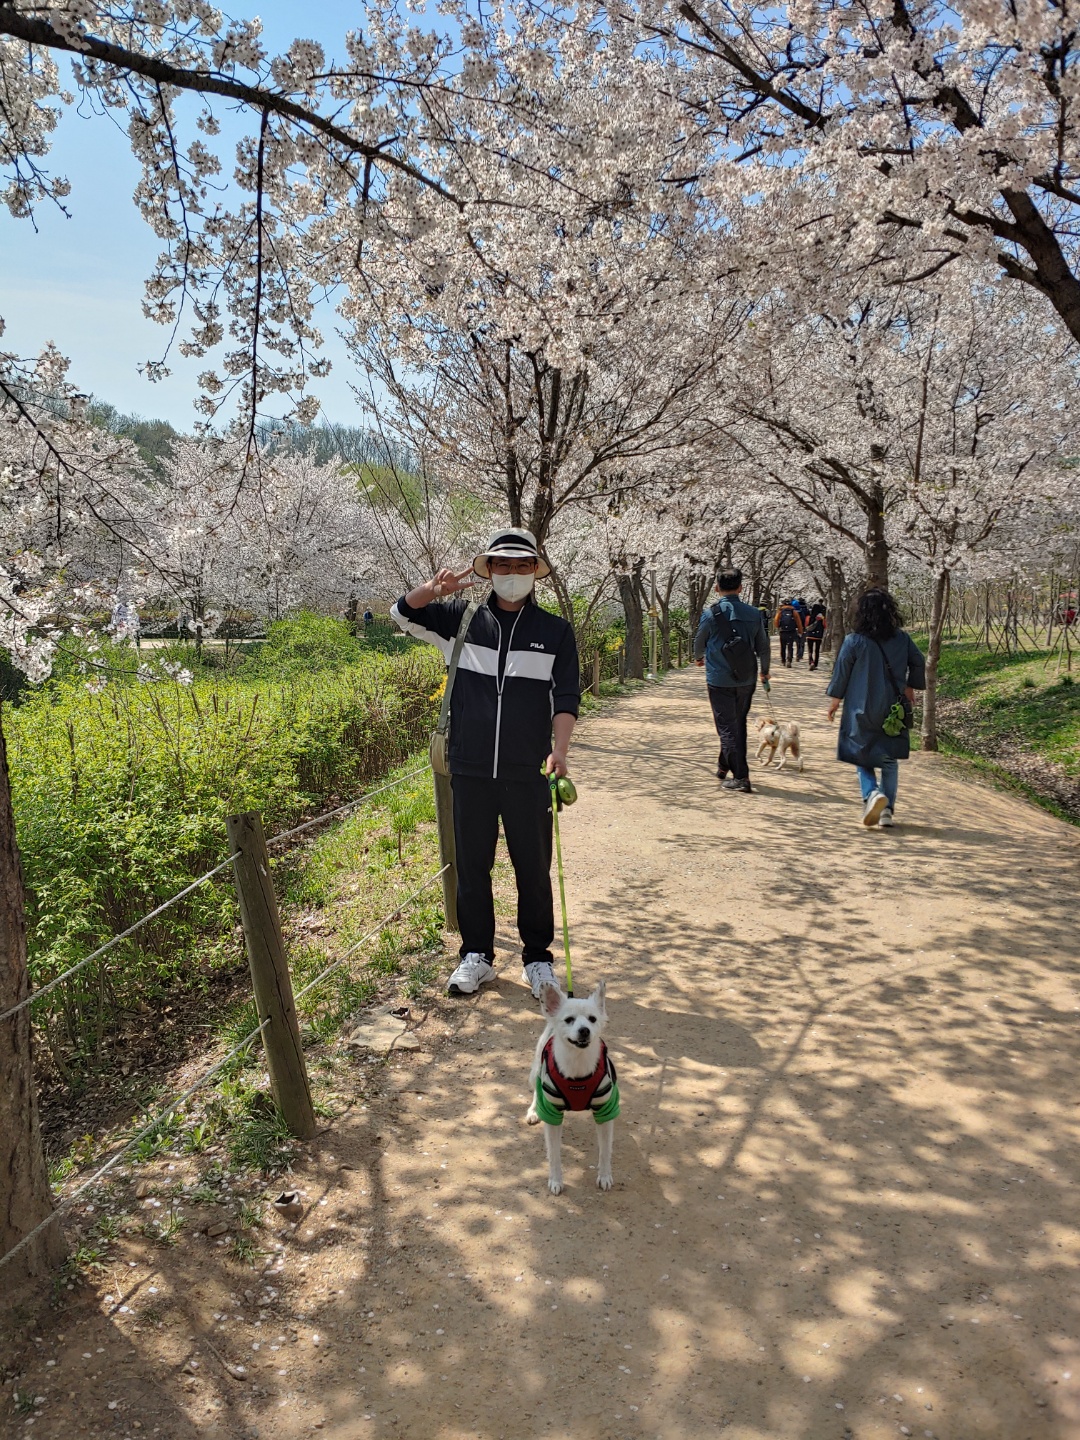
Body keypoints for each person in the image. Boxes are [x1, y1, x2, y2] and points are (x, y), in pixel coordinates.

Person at [391, 528, 580, 998]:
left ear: (534, 572)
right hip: (471, 766)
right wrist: (434, 591)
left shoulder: (553, 631)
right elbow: (402, 614)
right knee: (471, 864)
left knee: (532, 868)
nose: (511, 575)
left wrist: (560, 751)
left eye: (521, 567)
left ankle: (537, 960)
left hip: (527, 769)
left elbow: (566, 696)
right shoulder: (460, 619)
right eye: (502, 565)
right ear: (489, 569)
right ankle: (476, 955)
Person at [825, 587, 926, 828]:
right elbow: (918, 661)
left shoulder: (853, 641)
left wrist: (834, 701)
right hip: (893, 708)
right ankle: (887, 810)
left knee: (862, 754)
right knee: (889, 760)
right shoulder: (902, 638)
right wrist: (911, 686)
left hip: (860, 707)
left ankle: (872, 794)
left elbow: (842, 674)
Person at [694, 568, 771, 793]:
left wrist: (699, 657)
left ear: (717, 587)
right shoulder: (755, 614)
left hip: (719, 679)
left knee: (726, 726)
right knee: (736, 724)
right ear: (740, 587)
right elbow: (763, 647)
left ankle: (741, 777)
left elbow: (699, 641)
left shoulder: (711, 614)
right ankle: (723, 765)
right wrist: (764, 671)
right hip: (747, 678)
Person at [773, 599, 803, 667]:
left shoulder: (780, 611)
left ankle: (783, 660)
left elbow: (776, 620)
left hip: (783, 631)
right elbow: (798, 622)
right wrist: (800, 631)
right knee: (790, 646)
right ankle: (789, 660)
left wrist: (778, 626)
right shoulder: (794, 611)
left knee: (783, 646)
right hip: (791, 631)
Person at [803, 605, 826, 671]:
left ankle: (811, 662)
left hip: (810, 635)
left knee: (810, 650)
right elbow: (825, 625)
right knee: (817, 650)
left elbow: (806, 625)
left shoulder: (808, 617)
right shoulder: (822, 618)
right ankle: (815, 664)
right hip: (818, 636)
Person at [792, 596, 810, 662]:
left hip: (796, 627)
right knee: (802, 642)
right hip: (803, 627)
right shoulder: (806, 609)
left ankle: (797, 654)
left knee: (797, 642)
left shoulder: (795, 610)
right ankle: (800, 655)